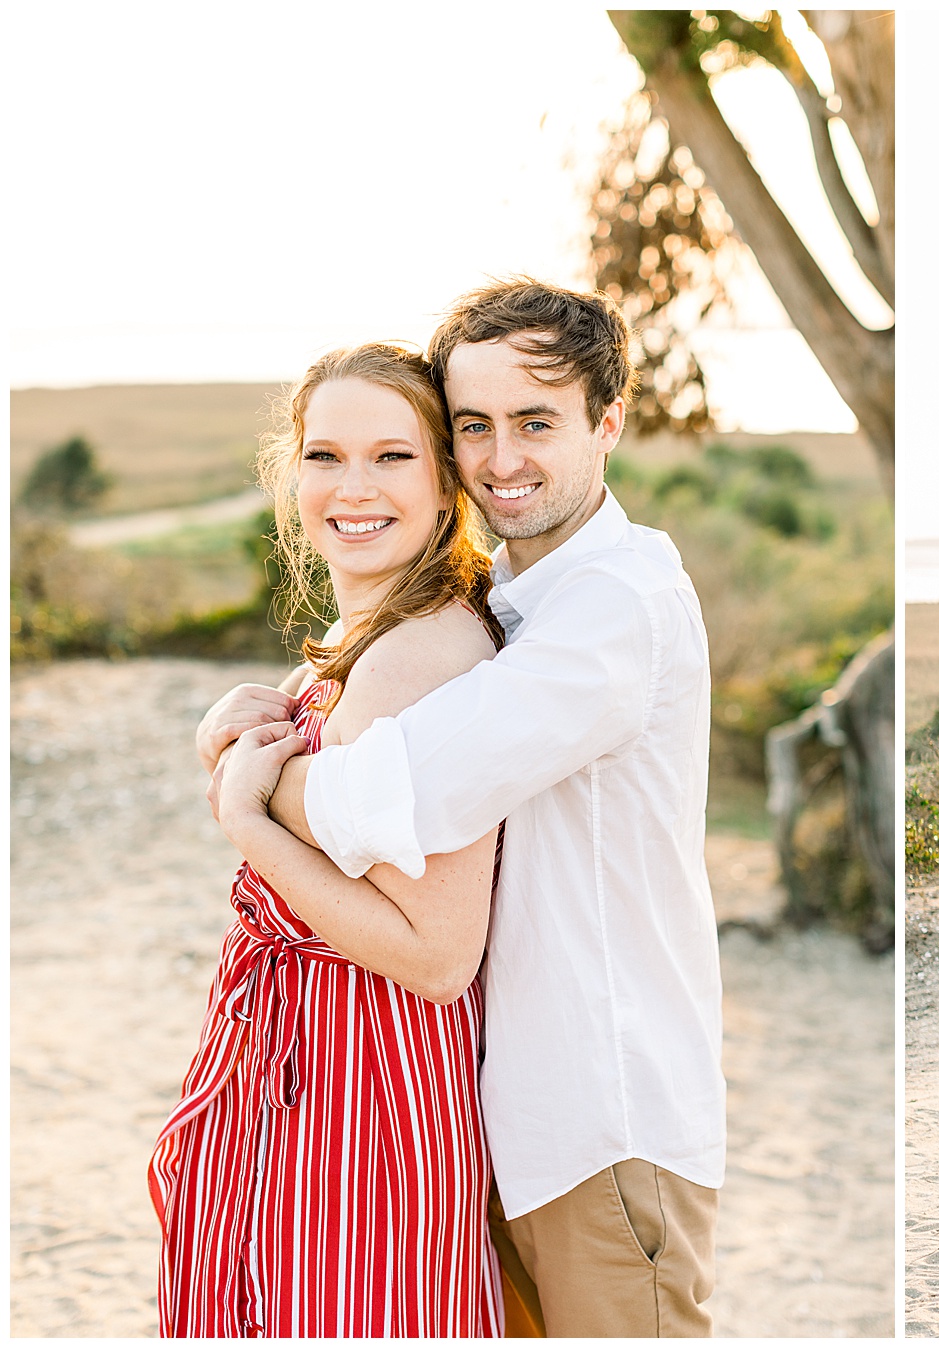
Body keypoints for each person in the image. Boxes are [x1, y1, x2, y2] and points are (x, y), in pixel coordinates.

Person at [196, 279, 724, 1337]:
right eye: (474, 424)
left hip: (601, 1118)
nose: (502, 456)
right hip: (508, 1114)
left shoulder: (614, 609)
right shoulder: (524, 605)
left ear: (608, 422)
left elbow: (391, 792)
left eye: (537, 421)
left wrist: (246, 781)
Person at [155, 343, 507, 1335]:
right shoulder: (366, 642)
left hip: (366, 1084)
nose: (354, 488)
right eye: (325, 456)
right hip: (307, 1064)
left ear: (447, 482)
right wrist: (225, 739)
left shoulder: (420, 660)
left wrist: (242, 817)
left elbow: (437, 956)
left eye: (393, 456)